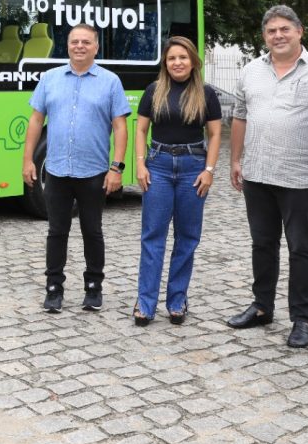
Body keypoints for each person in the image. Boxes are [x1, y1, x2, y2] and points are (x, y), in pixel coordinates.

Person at [228, 5, 308, 348]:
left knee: (301, 248)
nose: (278, 35)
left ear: (300, 31)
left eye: (284, 29)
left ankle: (303, 318)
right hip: (257, 173)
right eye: (272, 31)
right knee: (262, 244)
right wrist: (235, 160)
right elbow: (240, 116)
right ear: (265, 36)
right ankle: (262, 306)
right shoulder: (250, 71)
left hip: (301, 177)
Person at [23, 23, 131, 314]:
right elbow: (35, 120)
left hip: (94, 172)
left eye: (86, 42)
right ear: (67, 46)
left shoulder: (110, 82)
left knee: (92, 231)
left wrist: (117, 168)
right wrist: (27, 160)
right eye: (74, 41)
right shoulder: (50, 78)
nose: (80, 46)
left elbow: (120, 128)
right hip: (57, 170)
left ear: (96, 47)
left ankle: (93, 288)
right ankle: (54, 289)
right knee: (56, 231)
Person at [133, 36, 222, 326]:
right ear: (165, 63)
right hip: (157, 166)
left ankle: (177, 300)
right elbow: (141, 129)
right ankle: (145, 303)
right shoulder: (154, 90)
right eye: (172, 58)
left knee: (187, 238)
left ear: (193, 61)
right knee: (152, 236)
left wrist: (209, 169)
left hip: (192, 168)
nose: (177, 63)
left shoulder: (206, 94)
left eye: (182, 57)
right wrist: (140, 164)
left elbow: (216, 134)